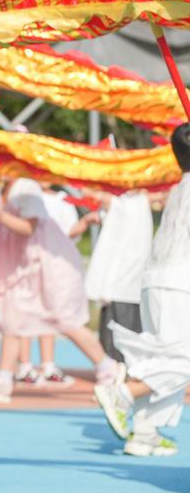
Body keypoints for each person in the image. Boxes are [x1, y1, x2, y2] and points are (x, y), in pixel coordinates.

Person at [0, 176, 119, 404]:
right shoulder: (1, 189)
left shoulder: (27, 187)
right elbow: (3, 230)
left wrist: (0, 215)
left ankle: (108, 368)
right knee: (13, 320)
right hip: (22, 269)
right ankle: (3, 380)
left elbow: (29, 227)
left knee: (64, 319)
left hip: (45, 265)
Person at [95, 123, 190, 457]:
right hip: (179, 282)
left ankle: (146, 431)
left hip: (158, 279)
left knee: (163, 356)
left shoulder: (180, 187)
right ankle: (123, 393)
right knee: (181, 358)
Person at [15, 185, 100, 387]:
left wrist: (85, 222)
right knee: (26, 314)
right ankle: (24, 366)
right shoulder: (26, 196)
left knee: (49, 313)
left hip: (53, 265)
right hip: (29, 261)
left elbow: (69, 232)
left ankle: (48, 365)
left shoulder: (63, 200)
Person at [83, 189, 154, 362]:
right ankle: (114, 365)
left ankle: (124, 365)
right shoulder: (115, 200)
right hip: (117, 282)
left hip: (134, 280)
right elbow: (92, 194)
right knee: (113, 335)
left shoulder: (143, 199)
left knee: (132, 332)